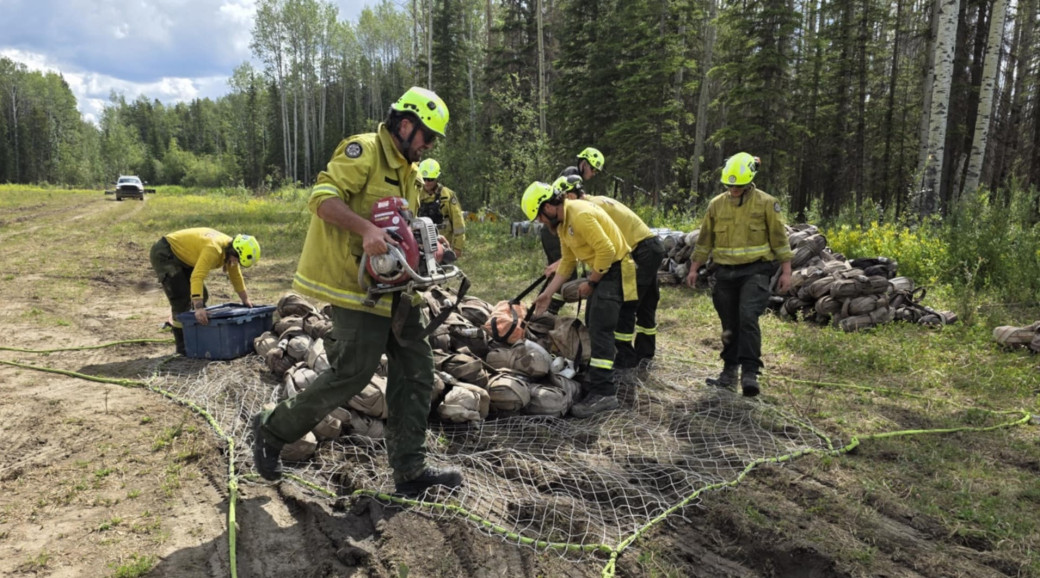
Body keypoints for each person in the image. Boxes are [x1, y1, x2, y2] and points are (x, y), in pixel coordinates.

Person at [251, 86, 463, 497]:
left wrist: (431, 248)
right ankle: (273, 429)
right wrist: (366, 230)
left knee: (418, 370)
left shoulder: (411, 171)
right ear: (405, 125)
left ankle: (410, 469)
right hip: (356, 286)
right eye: (427, 137)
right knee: (353, 372)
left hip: (398, 287)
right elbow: (322, 198)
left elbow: (404, 225)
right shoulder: (363, 151)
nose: (429, 146)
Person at [523, 181, 637, 418]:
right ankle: (598, 381)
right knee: (594, 325)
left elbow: (606, 250)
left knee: (600, 329)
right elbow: (567, 262)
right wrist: (548, 293)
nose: (541, 222)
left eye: (539, 216)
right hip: (602, 272)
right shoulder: (564, 225)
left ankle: (604, 394)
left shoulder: (580, 215)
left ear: (549, 206)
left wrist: (591, 282)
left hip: (612, 271)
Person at [684, 153, 793, 397]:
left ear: (750, 181)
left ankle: (751, 373)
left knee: (747, 317)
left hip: (755, 270)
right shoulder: (716, 205)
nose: (734, 190)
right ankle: (729, 371)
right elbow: (704, 240)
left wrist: (786, 271)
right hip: (725, 273)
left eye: (739, 186)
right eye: (730, 185)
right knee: (729, 324)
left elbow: (779, 239)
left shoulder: (766, 203)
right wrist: (694, 268)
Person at [552, 174, 665, 370]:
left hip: (641, 251)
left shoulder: (586, 210)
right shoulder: (593, 203)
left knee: (627, 305)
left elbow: (604, 245)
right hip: (646, 248)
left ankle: (625, 358)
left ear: (570, 195)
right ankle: (643, 355)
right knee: (644, 304)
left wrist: (594, 281)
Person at [149, 228, 259, 355]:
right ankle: (183, 347)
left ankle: (197, 335)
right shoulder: (213, 249)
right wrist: (199, 307)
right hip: (166, 253)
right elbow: (197, 277)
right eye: (237, 259)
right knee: (181, 299)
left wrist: (245, 299)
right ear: (234, 251)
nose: (235, 263)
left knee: (202, 295)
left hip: (184, 257)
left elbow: (236, 276)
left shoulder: (230, 249)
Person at [541, 147, 605, 314]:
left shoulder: (574, 177)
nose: (593, 173)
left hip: (557, 229)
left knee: (564, 275)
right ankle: (545, 311)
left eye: (596, 171)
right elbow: (574, 200)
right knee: (565, 275)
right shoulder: (572, 174)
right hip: (554, 231)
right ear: (583, 163)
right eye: (593, 169)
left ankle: (545, 309)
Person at [417, 158, 467, 257]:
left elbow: (458, 224)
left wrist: (458, 247)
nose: (427, 182)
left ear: (437, 178)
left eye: (430, 179)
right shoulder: (416, 194)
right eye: (424, 179)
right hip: (420, 245)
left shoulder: (448, 195)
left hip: (443, 245)